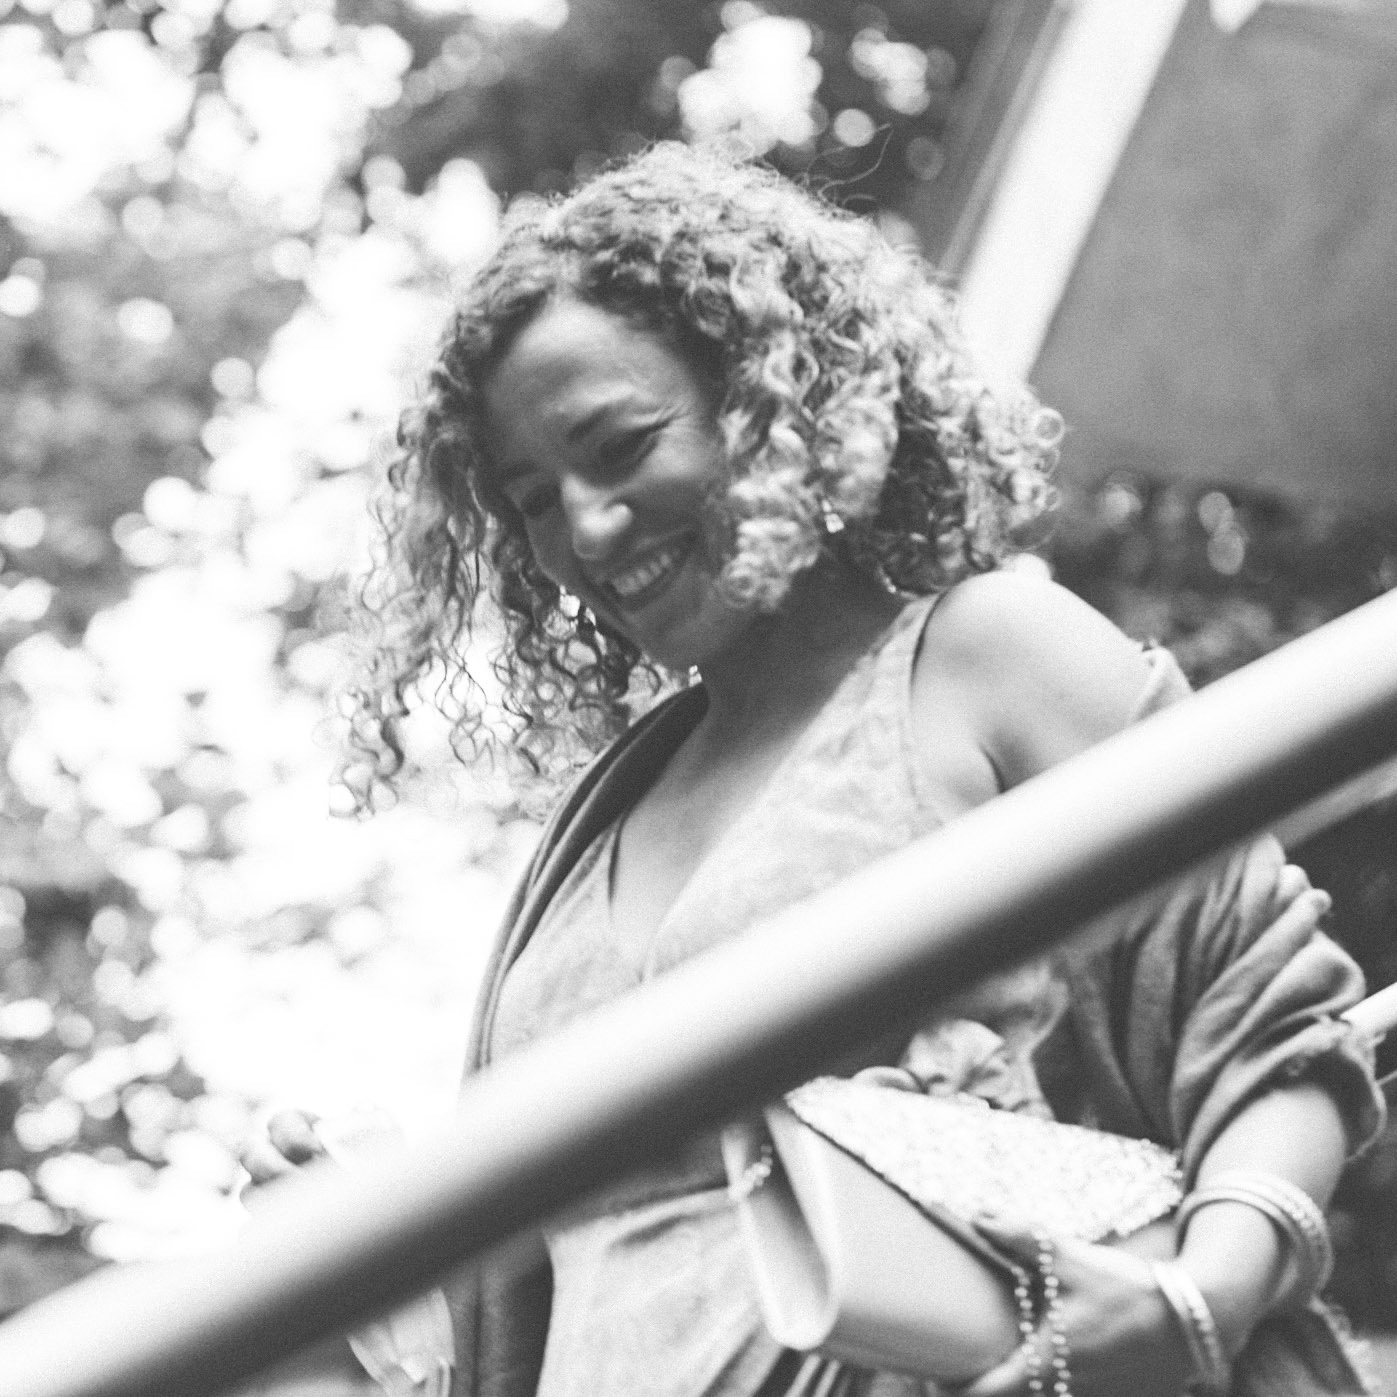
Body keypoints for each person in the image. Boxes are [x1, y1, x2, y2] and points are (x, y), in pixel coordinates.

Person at [243, 143, 1385, 1397]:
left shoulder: (987, 659)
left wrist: (1199, 1297)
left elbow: (1267, 1023)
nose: (586, 527)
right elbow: (579, 1289)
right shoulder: (591, 831)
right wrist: (383, 1279)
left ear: (769, 394)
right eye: (532, 499)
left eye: (619, 446)